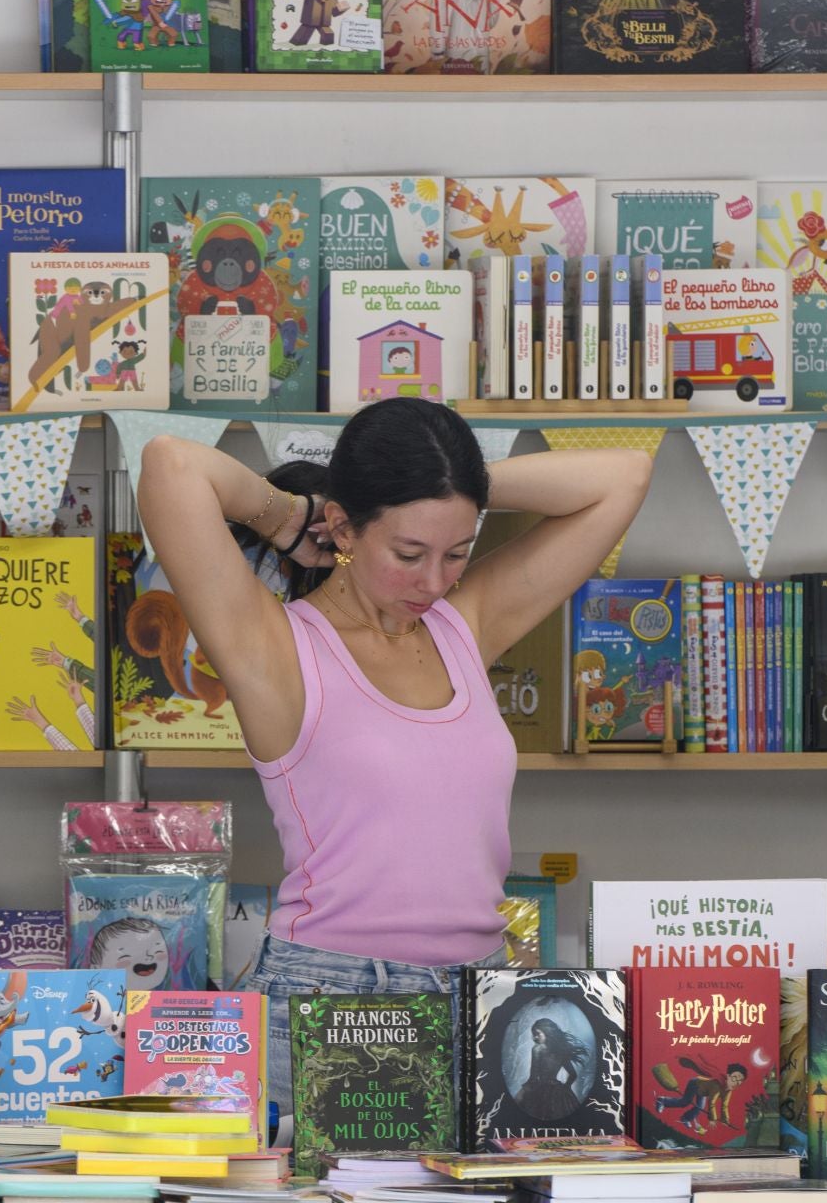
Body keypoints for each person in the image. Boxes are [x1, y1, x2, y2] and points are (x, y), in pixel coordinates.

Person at [137, 397, 653, 1112]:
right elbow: (171, 464)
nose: (435, 581)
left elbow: (624, 475)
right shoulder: (277, 649)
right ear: (345, 527)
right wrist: (288, 515)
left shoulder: (463, 627)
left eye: (457, 552)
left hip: (483, 993)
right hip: (334, 995)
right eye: (409, 554)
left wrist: (455, 488)